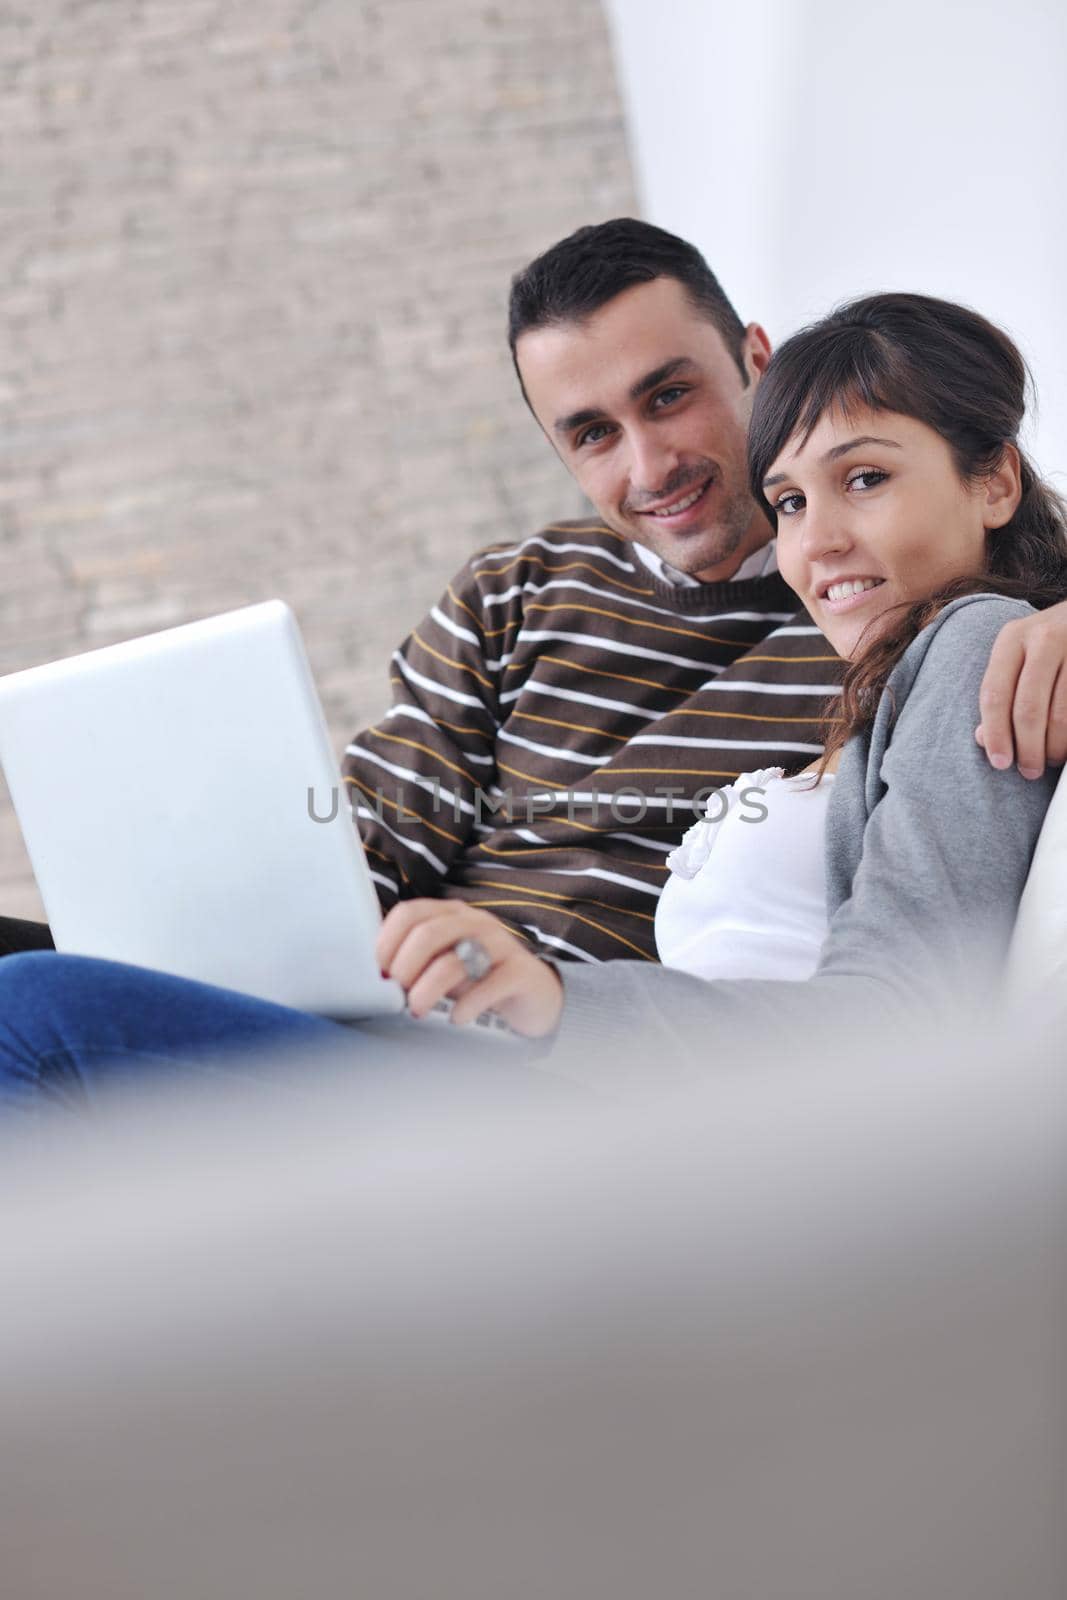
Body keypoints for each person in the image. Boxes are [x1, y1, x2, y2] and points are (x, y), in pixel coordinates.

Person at [0, 290, 1062, 1105]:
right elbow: (375, 829)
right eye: (787, 499)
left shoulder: (969, 646)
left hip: (571, 1092)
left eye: (863, 479)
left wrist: (553, 1003)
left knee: (31, 1013)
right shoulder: (530, 590)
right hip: (465, 1021)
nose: (815, 539)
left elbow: (891, 1017)